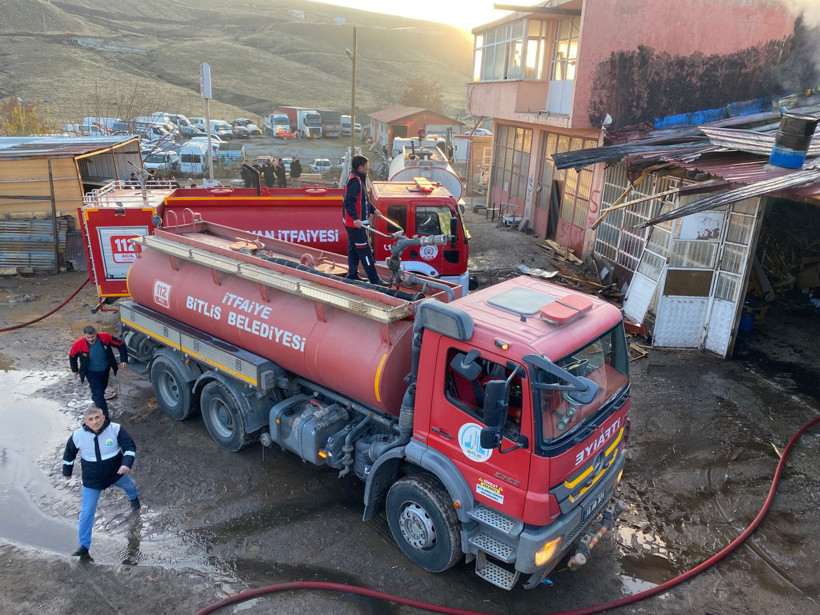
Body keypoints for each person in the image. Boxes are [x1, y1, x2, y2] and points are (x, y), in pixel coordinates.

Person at [63, 406, 140, 558]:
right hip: (93, 480)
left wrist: (126, 464)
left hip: (116, 473)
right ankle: (84, 545)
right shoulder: (77, 436)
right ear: (85, 421)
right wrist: (67, 472)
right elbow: (69, 453)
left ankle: (134, 499)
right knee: (86, 512)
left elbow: (130, 446)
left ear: (103, 417)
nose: (95, 422)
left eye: (97, 418)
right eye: (91, 419)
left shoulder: (116, 429)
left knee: (130, 486)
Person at [342, 155, 387, 286]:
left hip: (354, 223)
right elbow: (349, 202)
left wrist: (374, 210)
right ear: (360, 167)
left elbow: (363, 200)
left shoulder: (358, 180)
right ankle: (374, 279)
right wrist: (355, 218)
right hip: (355, 224)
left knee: (353, 249)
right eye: (366, 165)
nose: (368, 168)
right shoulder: (355, 182)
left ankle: (352, 274)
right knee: (364, 250)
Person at [69, 325, 128, 419]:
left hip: (105, 369)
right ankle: (104, 417)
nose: (91, 339)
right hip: (91, 372)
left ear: (96, 333)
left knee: (102, 388)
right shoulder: (78, 344)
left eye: (93, 337)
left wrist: (123, 359)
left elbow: (120, 344)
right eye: (88, 337)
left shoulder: (105, 337)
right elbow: (72, 356)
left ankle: (95, 397)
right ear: (84, 336)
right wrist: (75, 370)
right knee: (99, 394)